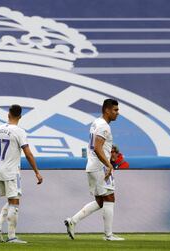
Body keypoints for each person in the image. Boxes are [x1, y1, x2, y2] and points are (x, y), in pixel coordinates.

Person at [64, 99, 124, 241]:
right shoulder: (104, 126)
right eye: (115, 110)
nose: (117, 113)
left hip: (92, 166)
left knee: (101, 201)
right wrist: (108, 165)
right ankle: (108, 235)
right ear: (107, 110)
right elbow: (97, 148)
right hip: (100, 166)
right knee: (110, 197)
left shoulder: (96, 122)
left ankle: (73, 221)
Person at [0, 104, 43, 244]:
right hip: (11, 170)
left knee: (10, 200)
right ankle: (12, 236)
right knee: (15, 201)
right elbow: (28, 154)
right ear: (20, 116)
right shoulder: (19, 131)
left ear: (8, 114)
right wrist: (37, 172)